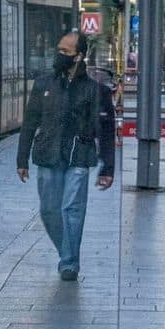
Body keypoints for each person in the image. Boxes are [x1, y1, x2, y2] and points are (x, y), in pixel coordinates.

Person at [16, 31, 116, 281]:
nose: (59, 55)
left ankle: (69, 263)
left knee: (72, 208)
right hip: (48, 154)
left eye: (65, 52)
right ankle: (67, 251)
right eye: (58, 50)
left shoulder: (97, 91)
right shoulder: (43, 84)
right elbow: (30, 122)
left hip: (79, 156)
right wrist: (21, 159)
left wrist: (108, 168)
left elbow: (106, 131)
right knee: (49, 210)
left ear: (79, 56)